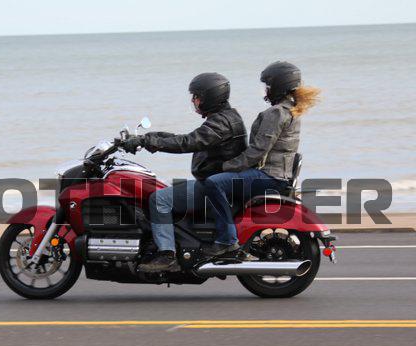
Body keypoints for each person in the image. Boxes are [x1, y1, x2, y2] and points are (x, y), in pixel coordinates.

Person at [121, 72, 247, 272]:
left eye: (197, 96)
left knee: (159, 199)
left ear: (210, 97)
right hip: (217, 183)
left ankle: (166, 254)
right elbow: (188, 137)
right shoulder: (225, 118)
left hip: (213, 186)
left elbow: (187, 142)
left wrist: (147, 141)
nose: (193, 100)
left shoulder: (221, 123)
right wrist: (148, 138)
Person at [203, 61, 321, 252]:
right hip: (278, 176)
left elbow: (257, 151)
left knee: (214, 183)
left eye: (268, 86)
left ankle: (226, 239)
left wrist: (225, 166)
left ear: (278, 86)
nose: (266, 90)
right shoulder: (291, 110)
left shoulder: (276, 113)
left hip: (269, 177)